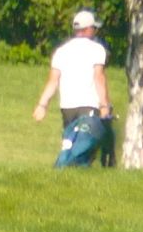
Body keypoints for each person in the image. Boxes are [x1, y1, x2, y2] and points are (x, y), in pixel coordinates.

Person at [33, 9, 114, 167]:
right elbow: (99, 78)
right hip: (88, 104)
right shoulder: (97, 50)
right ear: (87, 29)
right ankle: (68, 169)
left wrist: (42, 105)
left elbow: (53, 81)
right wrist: (104, 105)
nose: (96, 31)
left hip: (67, 106)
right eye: (94, 28)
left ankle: (67, 171)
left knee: (70, 141)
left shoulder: (62, 51)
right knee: (87, 143)